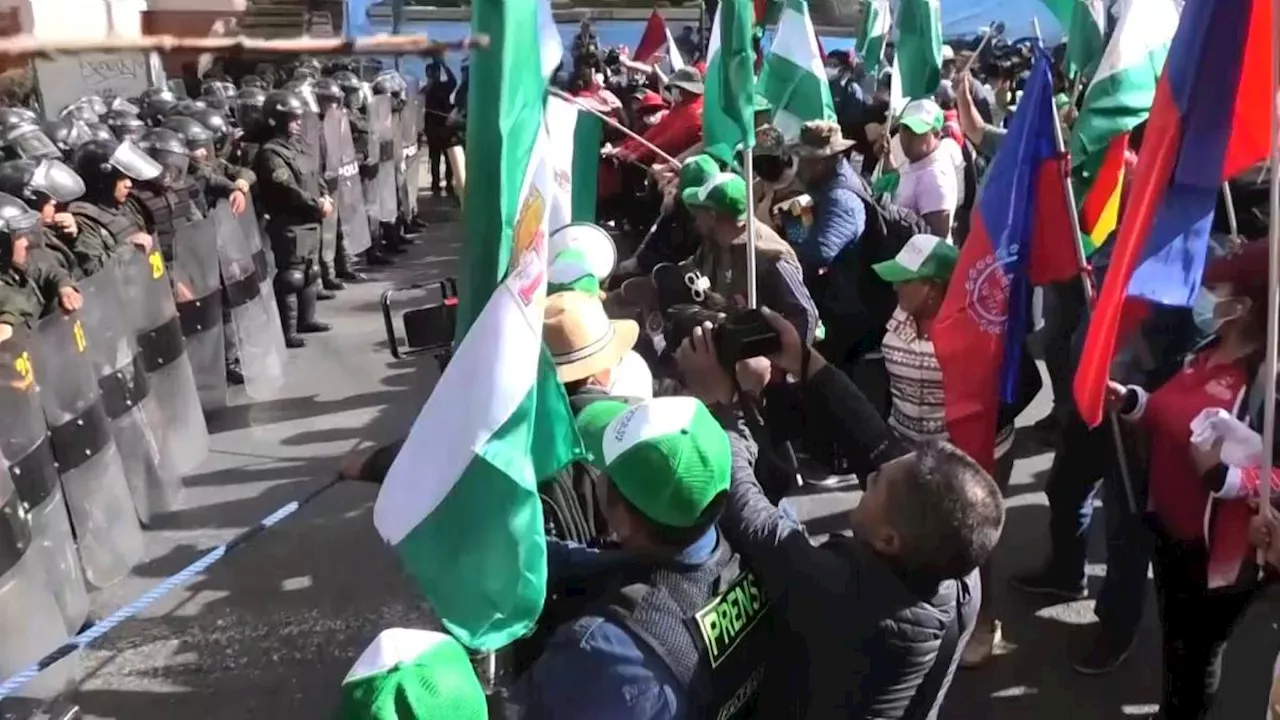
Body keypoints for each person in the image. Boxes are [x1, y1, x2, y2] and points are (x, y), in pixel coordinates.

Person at [674, 306, 1001, 718]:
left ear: (888, 539)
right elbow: (874, 442)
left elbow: (750, 515)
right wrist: (804, 360)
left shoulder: (848, 596)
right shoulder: (954, 558)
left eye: (876, 483)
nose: (869, 475)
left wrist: (722, 405)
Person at [512, 394, 774, 719]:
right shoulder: (749, 552)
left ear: (621, 518)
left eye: (604, 470)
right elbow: (615, 561)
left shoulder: (601, 652)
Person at [1106, 242, 1276, 719]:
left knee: (1197, 653)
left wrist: (1224, 477)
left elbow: (1276, 474)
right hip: (1170, 532)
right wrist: (1132, 401)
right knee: (1176, 643)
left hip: (1222, 553)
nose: (1202, 296)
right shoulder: (1202, 349)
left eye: (1215, 288)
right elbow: (1166, 409)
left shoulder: (1268, 382)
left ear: (1243, 306)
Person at [870, 233, 1040, 666]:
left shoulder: (979, 328)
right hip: (909, 445)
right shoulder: (899, 315)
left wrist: (976, 427)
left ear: (933, 287)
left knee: (970, 545)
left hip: (971, 455)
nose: (895, 288)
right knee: (915, 540)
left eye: (904, 281)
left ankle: (984, 623)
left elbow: (1024, 384)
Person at [683, 170, 819, 343]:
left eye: (698, 212)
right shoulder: (713, 241)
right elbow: (693, 272)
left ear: (712, 215)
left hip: (761, 350)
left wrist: (789, 366)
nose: (694, 219)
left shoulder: (771, 257)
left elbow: (806, 314)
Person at [254, 88, 334, 348]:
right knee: (292, 277)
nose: (299, 122)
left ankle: (306, 320)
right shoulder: (271, 154)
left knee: (311, 271)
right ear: (277, 120)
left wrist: (326, 196)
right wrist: (316, 204)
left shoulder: (299, 145)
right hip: (289, 222)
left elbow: (315, 174)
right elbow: (288, 189)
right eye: (293, 118)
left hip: (311, 220)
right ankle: (286, 332)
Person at [66, 138, 157, 276]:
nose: (129, 184)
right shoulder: (84, 220)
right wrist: (129, 248)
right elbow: (95, 271)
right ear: (102, 180)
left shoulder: (127, 205)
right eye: (121, 178)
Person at [0, 191, 82, 343]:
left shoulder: (18, 267)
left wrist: (64, 286)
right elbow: (9, 299)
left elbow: (44, 268)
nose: (27, 242)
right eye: (19, 237)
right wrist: (7, 322)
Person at [0, 157, 87, 278]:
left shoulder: (49, 231)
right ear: (31, 200)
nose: (60, 209)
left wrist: (73, 237)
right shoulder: (20, 247)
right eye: (53, 203)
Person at [890, 99, 961, 239]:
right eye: (905, 129)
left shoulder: (934, 178)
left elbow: (936, 238)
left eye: (917, 131)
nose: (908, 137)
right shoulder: (916, 161)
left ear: (936, 134)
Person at [422, 49, 458, 197]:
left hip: (445, 128)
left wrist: (443, 65)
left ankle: (449, 183)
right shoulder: (426, 89)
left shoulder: (443, 87)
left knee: (448, 158)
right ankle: (436, 184)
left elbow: (453, 81)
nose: (432, 76)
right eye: (430, 74)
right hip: (433, 129)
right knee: (435, 158)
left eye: (434, 73)